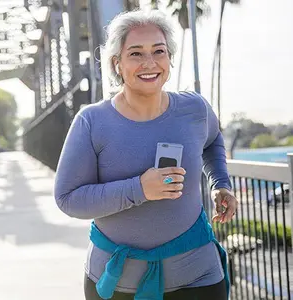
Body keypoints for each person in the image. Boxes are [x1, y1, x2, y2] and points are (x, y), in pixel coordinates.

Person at [53, 9, 238, 300]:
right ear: (117, 63)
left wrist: (220, 183)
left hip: (199, 277)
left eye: (159, 51)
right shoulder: (91, 122)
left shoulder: (195, 109)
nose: (149, 63)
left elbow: (213, 141)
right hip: (116, 285)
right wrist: (139, 189)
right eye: (136, 53)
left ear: (169, 59)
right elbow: (68, 199)